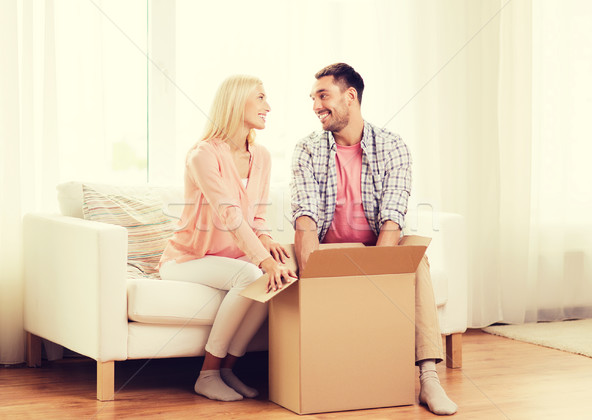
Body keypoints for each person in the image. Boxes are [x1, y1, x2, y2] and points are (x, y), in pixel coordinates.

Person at [291, 63, 458, 416]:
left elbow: (393, 219)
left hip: (375, 247)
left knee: (418, 259)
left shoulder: (393, 146)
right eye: (313, 98)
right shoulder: (307, 149)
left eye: (323, 96)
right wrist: (312, 268)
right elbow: (304, 216)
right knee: (287, 258)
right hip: (328, 250)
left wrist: (379, 274)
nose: (316, 106)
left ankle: (428, 378)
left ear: (350, 96)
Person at [159, 75, 296, 402]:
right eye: (261, 98)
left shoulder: (261, 156)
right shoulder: (202, 155)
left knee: (275, 278)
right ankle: (207, 374)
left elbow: (256, 215)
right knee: (252, 273)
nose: (268, 106)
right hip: (185, 259)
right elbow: (230, 214)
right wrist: (261, 259)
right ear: (237, 102)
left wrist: (266, 241)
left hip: (231, 256)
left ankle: (228, 370)